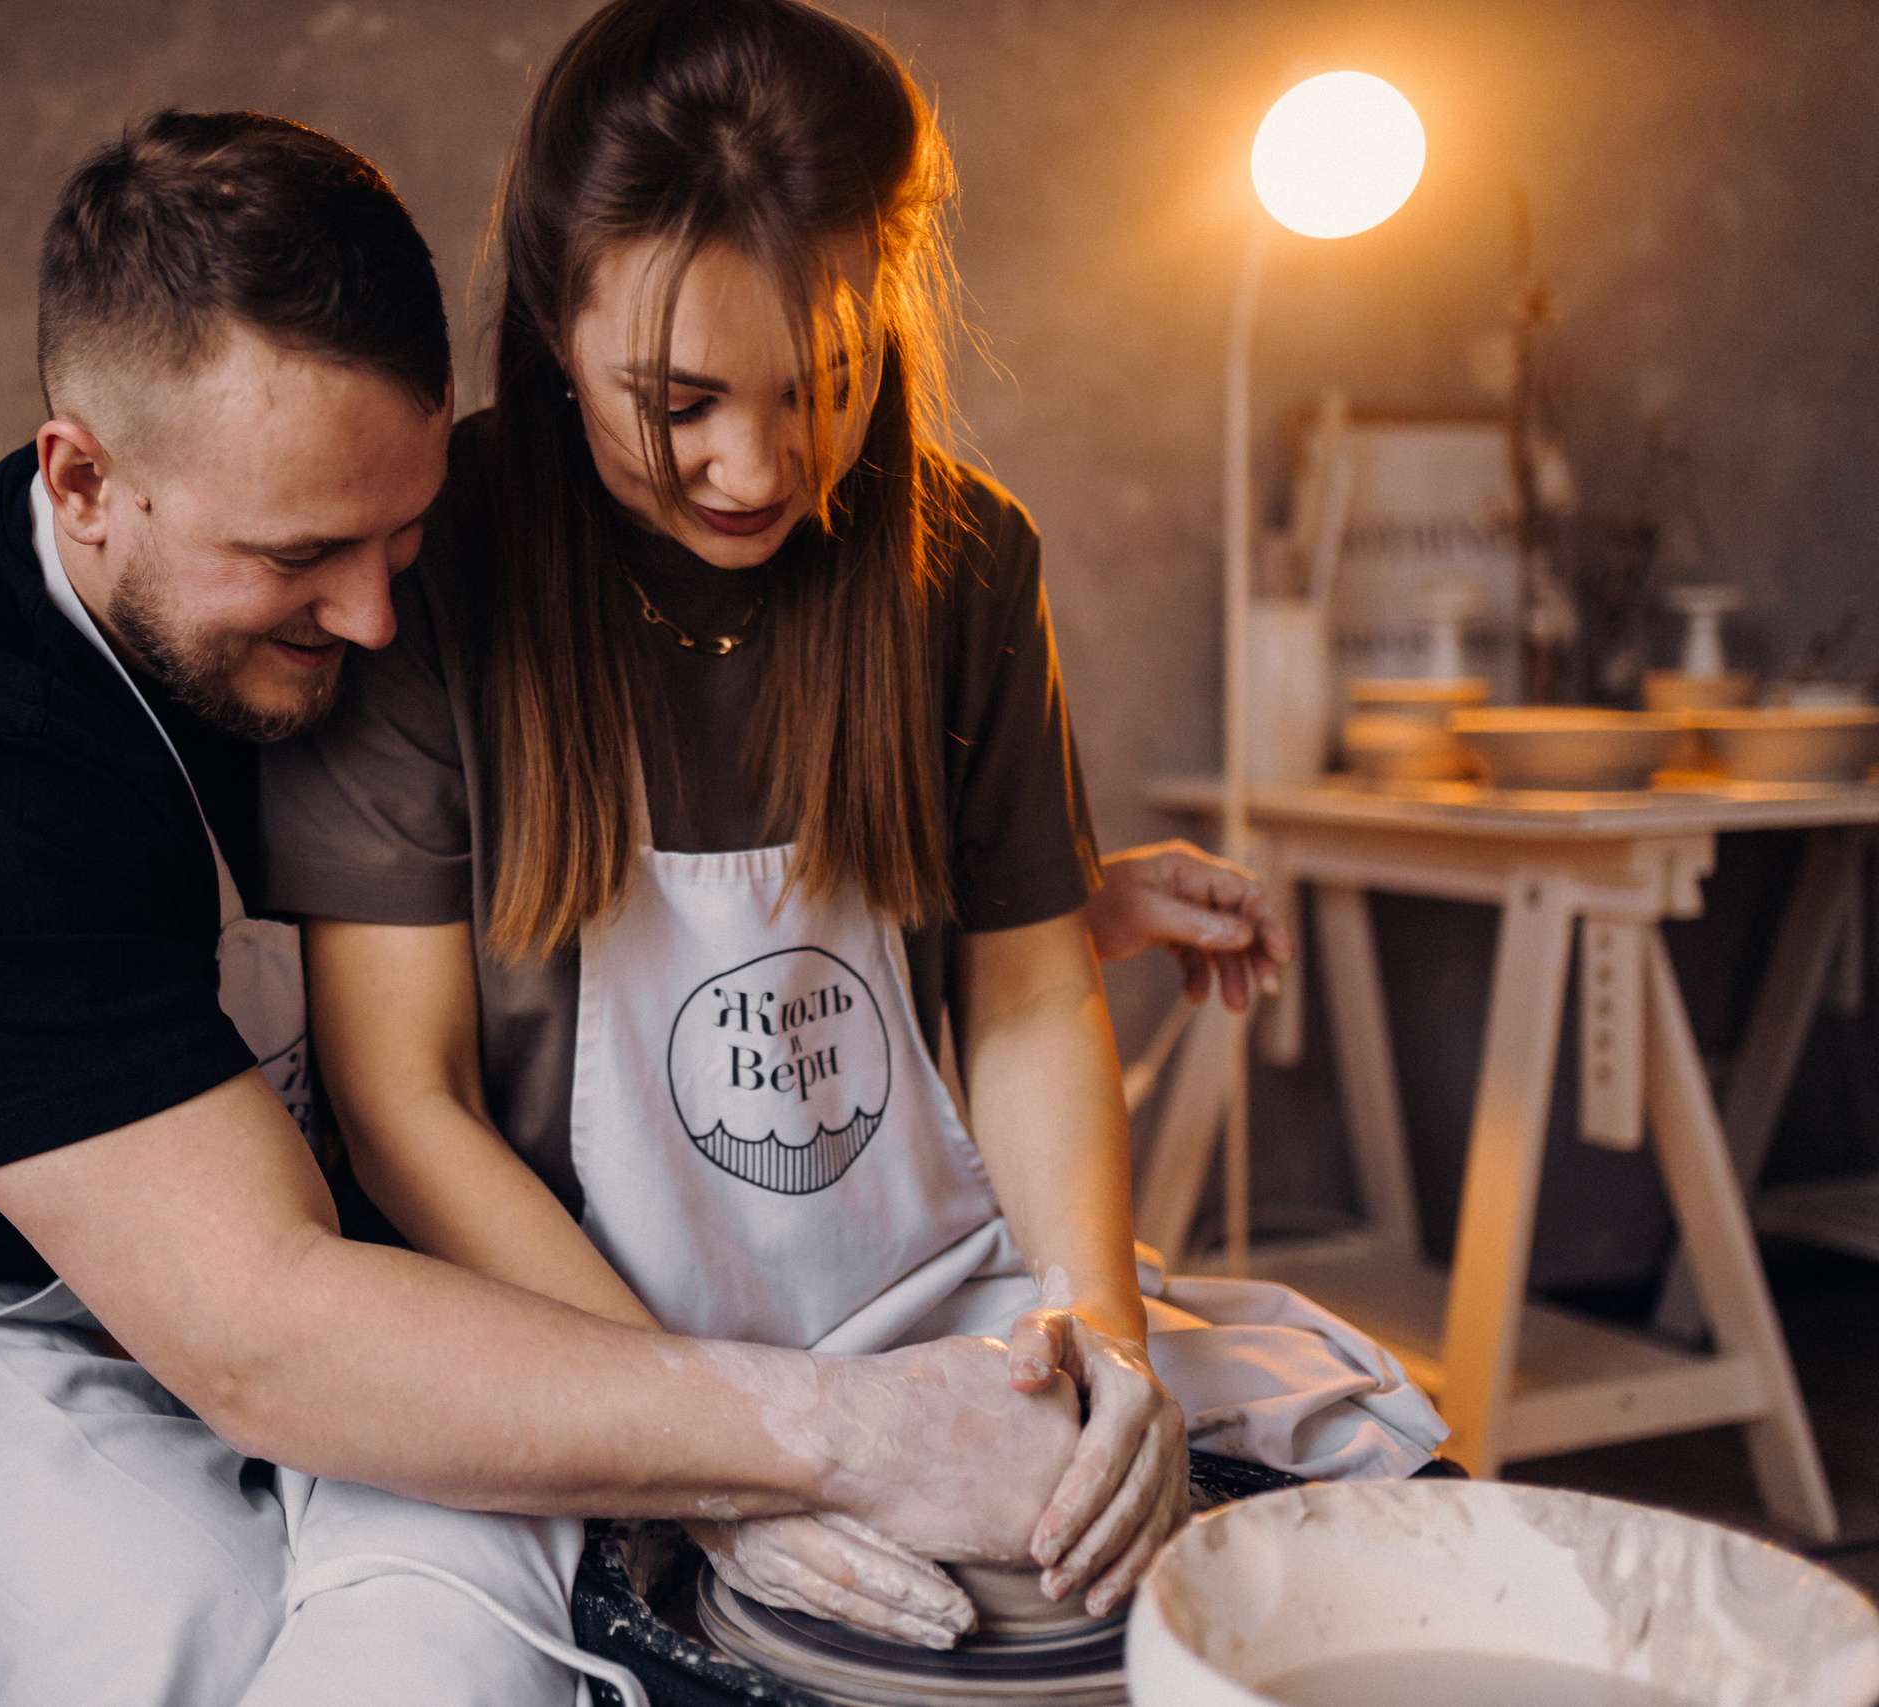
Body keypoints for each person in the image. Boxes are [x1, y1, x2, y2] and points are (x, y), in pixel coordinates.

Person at [0, 107, 1152, 1707]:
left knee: (452, 1622)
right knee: (202, 1626)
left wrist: (1045, 907)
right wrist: (816, 1448)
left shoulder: (329, 602)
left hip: (253, 1256)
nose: (376, 613)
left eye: (402, 533)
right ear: (84, 477)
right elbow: (259, 1327)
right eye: (305, 554)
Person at [266, 0, 1446, 1648]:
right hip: (550, 1335)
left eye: (825, 381)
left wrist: (1093, 1332)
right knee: (420, 1669)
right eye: (676, 403)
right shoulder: (427, 572)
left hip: (909, 1299)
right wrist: (711, 1460)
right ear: (547, 318)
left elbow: (1028, 994)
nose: (758, 467)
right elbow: (408, 1108)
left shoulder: (960, 564)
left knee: (1390, 1506)